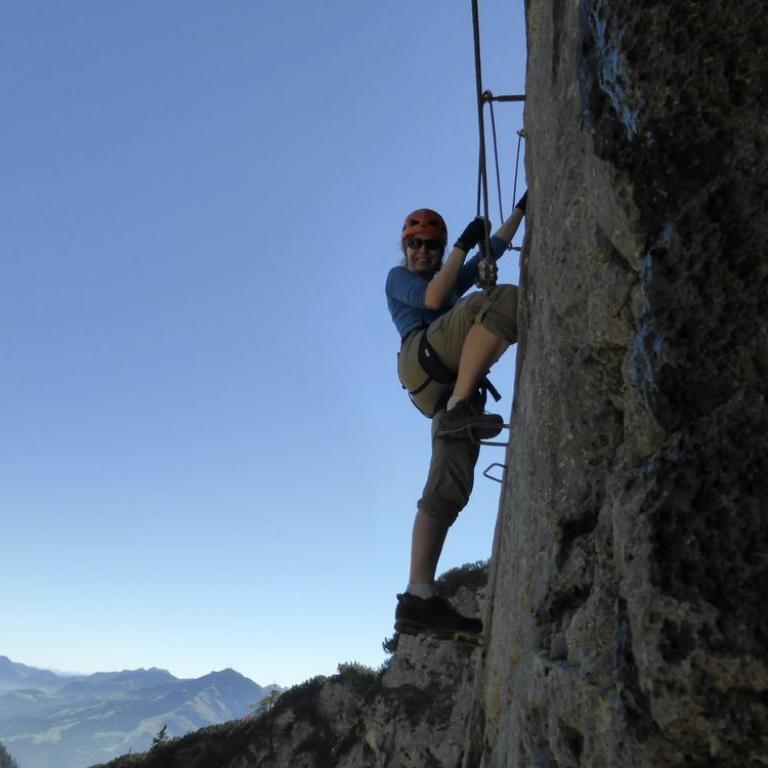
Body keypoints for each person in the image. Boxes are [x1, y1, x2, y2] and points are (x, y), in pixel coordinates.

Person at [385, 193, 527, 638]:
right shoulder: (398, 278)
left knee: (449, 489)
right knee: (502, 300)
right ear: (405, 248)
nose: (422, 251)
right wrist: (462, 245)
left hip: (441, 389)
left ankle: (418, 597)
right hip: (422, 357)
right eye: (415, 244)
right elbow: (433, 299)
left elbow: (494, 248)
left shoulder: (448, 274)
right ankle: (461, 405)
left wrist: (521, 210)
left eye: (432, 245)